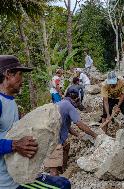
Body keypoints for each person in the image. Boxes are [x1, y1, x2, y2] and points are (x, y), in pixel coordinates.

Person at [0, 55, 71, 189]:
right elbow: (14, 142)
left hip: (19, 172)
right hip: (7, 183)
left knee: (63, 183)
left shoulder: (11, 102)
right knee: (62, 186)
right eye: (20, 74)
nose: (22, 80)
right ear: (8, 74)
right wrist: (15, 145)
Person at [44, 88, 97, 176]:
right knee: (53, 169)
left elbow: (66, 125)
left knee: (66, 146)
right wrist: (94, 135)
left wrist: (77, 134)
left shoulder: (60, 103)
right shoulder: (69, 106)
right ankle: (56, 179)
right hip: (53, 139)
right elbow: (79, 124)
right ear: (76, 99)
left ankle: (63, 167)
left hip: (49, 135)